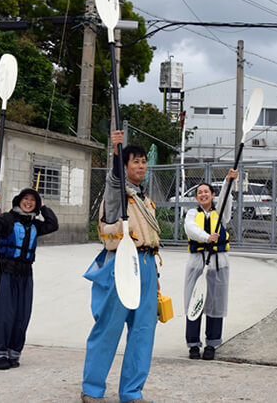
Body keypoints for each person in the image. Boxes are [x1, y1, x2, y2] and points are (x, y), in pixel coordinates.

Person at [81, 130, 161, 403]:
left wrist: (157, 277)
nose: (141, 165)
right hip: (122, 264)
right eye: (135, 161)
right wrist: (116, 150)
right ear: (126, 167)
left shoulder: (145, 200)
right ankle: (92, 389)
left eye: (143, 161)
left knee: (143, 331)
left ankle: (131, 392)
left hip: (148, 265)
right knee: (109, 327)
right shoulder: (118, 197)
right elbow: (113, 181)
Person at [0, 187, 59, 370]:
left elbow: (53, 224)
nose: (28, 202)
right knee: (2, 313)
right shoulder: (7, 219)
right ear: (18, 200)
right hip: (4, 271)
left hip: (25, 274)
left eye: (33, 200)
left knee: (21, 315)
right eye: (25, 199)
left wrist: (43, 207)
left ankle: (13, 352)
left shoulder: (35, 224)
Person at [184, 168, 238, 361]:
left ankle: (212, 344)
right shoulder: (191, 213)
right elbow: (191, 230)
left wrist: (227, 182)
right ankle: (193, 345)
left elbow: (225, 200)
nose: (203, 194)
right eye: (200, 193)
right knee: (195, 302)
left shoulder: (220, 215)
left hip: (218, 264)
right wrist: (208, 238)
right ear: (197, 198)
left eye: (207, 192)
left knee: (215, 304)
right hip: (198, 264)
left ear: (212, 195)